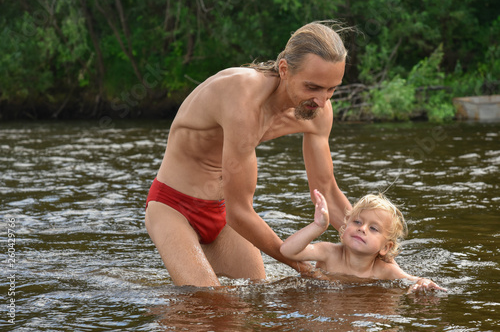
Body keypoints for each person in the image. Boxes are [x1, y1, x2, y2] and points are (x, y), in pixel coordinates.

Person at [145, 21, 352, 287]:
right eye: (312, 88)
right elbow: (240, 212)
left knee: (255, 295)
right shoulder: (242, 97)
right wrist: (305, 268)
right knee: (206, 301)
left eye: (331, 89)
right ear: (285, 70)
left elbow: (327, 192)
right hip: (173, 207)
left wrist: (379, 254)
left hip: (220, 211)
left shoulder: (318, 111)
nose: (322, 101)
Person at [280, 190, 447, 292]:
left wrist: (423, 282)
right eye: (357, 222)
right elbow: (287, 251)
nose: (362, 228)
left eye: (373, 228)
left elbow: (413, 279)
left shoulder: (383, 270)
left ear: (385, 248)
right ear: (344, 228)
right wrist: (318, 226)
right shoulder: (329, 252)